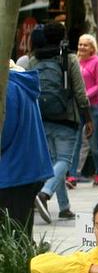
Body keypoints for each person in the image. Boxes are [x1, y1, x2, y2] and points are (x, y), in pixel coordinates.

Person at [32, 21, 92, 223]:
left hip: (43, 116)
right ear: (62, 37)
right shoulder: (69, 58)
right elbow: (80, 92)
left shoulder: (35, 59)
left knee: (53, 161)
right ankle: (44, 193)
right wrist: (88, 118)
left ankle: (64, 207)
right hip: (66, 117)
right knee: (64, 161)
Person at [0, 61, 53, 234]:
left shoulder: (6, 88)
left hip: (12, 173)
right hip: (27, 170)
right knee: (21, 234)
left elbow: (4, 133)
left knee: (12, 237)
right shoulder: (20, 84)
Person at [68, 34, 98, 187]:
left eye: (85, 45)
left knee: (93, 143)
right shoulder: (75, 61)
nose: (82, 47)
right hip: (79, 107)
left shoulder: (97, 62)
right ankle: (72, 176)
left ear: (92, 47)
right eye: (80, 44)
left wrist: (84, 95)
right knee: (76, 142)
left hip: (93, 108)